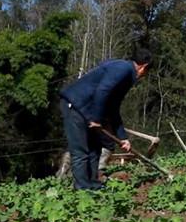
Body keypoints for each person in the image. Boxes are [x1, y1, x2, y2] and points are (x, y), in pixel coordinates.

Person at [58, 49, 152, 190]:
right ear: (144, 67)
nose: (144, 76)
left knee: (95, 148)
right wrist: (96, 119)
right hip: (75, 106)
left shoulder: (124, 74)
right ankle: (82, 188)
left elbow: (113, 107)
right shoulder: (123, 69)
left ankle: (93, 184)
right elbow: (103, 90)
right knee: (80, 150)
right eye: (147, 72)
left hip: (87, 110)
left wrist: (123, 137)